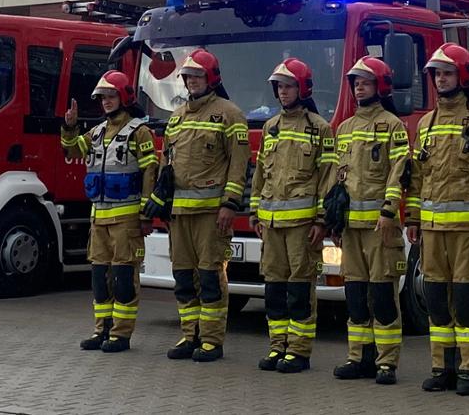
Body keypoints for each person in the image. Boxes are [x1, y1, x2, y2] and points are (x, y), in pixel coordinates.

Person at [406, 44, 469, 396]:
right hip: (431, 232)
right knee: (435, 299)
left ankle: (468, 370)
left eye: (447, 73)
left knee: (465, 301)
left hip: (467, 231)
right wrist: (413, 218)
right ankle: (442, 367)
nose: (441, 79)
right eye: (437, 74)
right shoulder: (426, 123)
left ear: (463, 76)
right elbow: (417, 177)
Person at [161, 49, 250, 362]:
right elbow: (166, 165)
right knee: (184, 278)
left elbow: (240, 165)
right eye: (188, 77)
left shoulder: (230, 114)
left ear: (211, 78)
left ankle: (211, 340)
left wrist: (230, 204)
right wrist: (161, 203)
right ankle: (190, 336)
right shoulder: (176, 118)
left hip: (212, 214)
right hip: (178, 215)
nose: (193, 81)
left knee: (211, 276)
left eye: (198, 76)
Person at [61, 71, 157, 353]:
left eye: (111, 96)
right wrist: (70, 127)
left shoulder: (140, 132)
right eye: (102, 97)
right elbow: (71, 151)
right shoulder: (97, 131)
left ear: (124, 97)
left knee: (123, 279)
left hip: (126, 220)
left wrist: (144, 214)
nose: (105, 101)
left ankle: (121, 334)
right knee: (100, 278)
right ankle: (101, 330)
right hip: (98, 218)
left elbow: (150, 172)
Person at [250, 58, 336, 373]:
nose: (283, 93)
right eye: (279, 87)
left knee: (300, 289)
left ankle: (298, 351)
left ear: (302, 88)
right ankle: (277, 348)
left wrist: (320, 220)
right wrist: (254, 211)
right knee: (274, 289)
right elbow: (260, 173)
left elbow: (328, 176)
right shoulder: (270, 127)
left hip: (302, 226)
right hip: (271, 224)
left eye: (288, 86)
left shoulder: (320, 128)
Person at [330, 56, 410, 386]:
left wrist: (390, 210)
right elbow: (338, 177)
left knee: (382, 296)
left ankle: (386, 363)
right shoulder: (345, 128)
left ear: (381, 85)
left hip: (380, 229)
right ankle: (358, 357)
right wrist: (334, 218)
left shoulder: (393, 125)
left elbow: (399, 171)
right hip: (351, 230)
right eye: (355, 82)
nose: (359, 86)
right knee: (356, 296)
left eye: (365, 81)